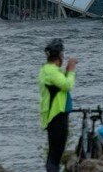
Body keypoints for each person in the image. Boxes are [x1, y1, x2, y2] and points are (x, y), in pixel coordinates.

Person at [39, 38, 77, 172]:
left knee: (54, 154)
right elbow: (67, 85)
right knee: (55, 156)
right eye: (62, 54)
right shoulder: (51, 71)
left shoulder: (50, 70)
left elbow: (61, 86)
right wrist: (72, 70)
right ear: (60, 56)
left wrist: (66, 71)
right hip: (56, 117)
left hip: (56, 115)